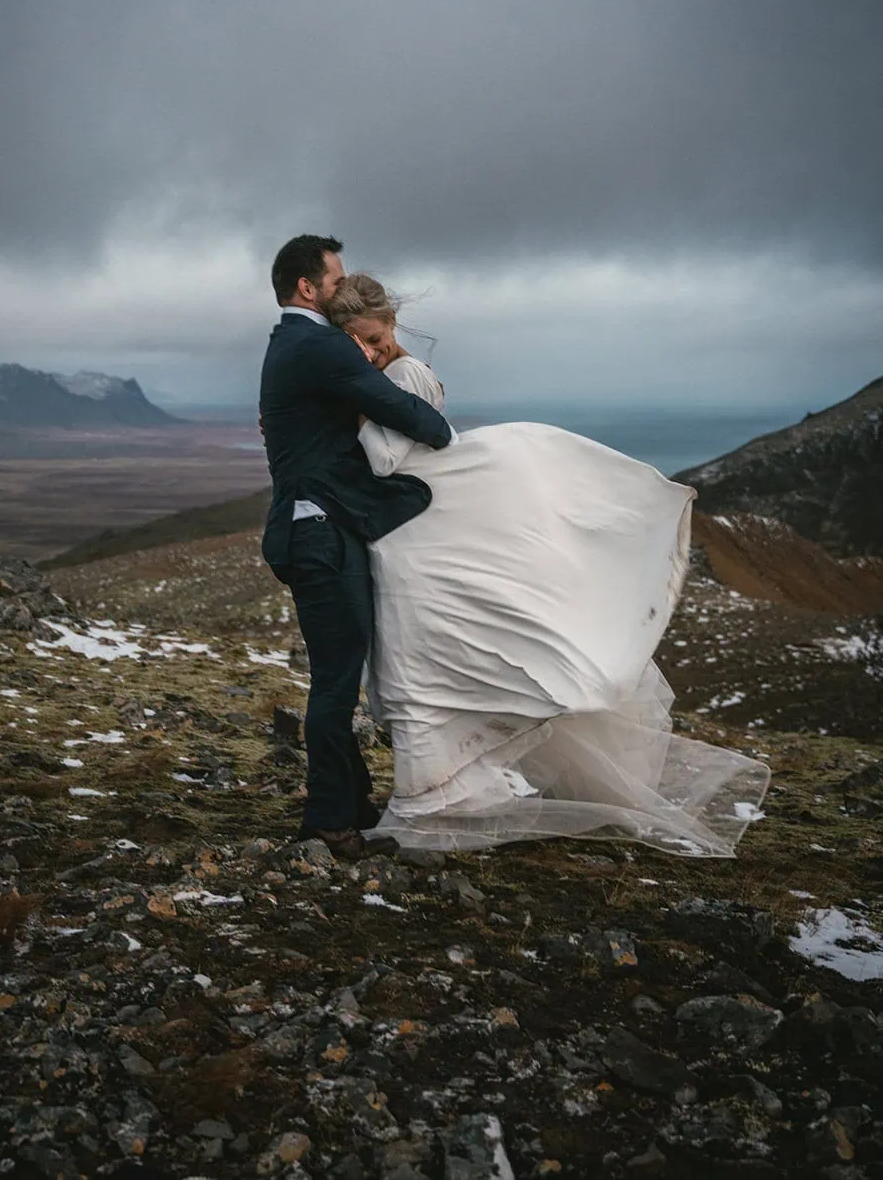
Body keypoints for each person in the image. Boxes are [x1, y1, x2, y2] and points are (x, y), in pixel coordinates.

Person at [326, 272, 772, 858]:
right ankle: (438, 796)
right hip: (408, 540)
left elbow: (386, 461)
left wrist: (351, 414)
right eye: (355, 342)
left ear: (391, 325)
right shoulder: (384, 376)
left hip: (417, 540)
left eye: (374, 337)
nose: (369, 350)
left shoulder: (403, 375)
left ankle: (433, 804)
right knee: (421, 668)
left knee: (422, 667)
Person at [259, 236, 456, 860]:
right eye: (334, 279)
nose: (342, 289)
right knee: (336, 686)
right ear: (307, 288)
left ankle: (354, 804)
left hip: (306, 529)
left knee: (336, 678)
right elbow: (415, 419)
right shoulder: (320, 345)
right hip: (319, 535)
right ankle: (327, 822)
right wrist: (432, 423)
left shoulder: (288, 345)